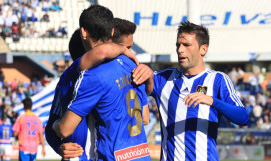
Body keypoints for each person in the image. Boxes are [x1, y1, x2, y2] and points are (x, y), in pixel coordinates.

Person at [135, 21, 249, 160]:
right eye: (178, 45)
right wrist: (144, 70)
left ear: (203, 49)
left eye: (187, 45)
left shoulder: (218, 79)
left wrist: (212, 101)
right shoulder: (164, 79)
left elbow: (243, 118)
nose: (180, 50)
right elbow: (142, 81)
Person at [52, 5, 151, 161]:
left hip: (110, 156)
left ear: (83, 32)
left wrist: (55, 126)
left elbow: (64, 129)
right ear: (112, 32)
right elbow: (145, 118)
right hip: (140, 155)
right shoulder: (132, 64)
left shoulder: (91, 76)